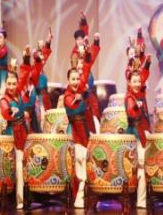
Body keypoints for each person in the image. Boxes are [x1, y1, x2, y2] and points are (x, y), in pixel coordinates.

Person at [0, 71, 36, 210]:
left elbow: (26, 104)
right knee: (19, 166)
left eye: (14, 83)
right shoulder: (4, 100)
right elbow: (5, 112)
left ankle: (27, 195)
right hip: (12, 134)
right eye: (9, 83)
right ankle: (20, 200)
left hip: (23, 132)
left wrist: (28, 98)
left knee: (26, 163)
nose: (11, 86)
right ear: (5, 84)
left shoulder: (19, 96)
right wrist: (11, 111)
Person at [64, 50, 93, 208]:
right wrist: (84, 97)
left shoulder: (79, 90)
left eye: (77, 79)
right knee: (78, 165)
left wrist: (88, 55)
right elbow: (75, 107)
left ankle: (83, 197)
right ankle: (78, 198)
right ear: (68, 80)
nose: (76, 82)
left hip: (84, 131)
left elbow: (86, 72)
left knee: (85, 163)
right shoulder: (68, 96)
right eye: (73, 79)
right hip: (75, 133)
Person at [71, 11, 101, 132]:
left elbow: (93, 53)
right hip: (79, 84)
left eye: (81, 39)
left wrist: (96, 41)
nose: (79, 41)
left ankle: (92, 129)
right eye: (77, 39)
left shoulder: (87, 50)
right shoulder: (74, 53)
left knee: (91, 108)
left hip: (88, 80)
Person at [125, 71, 150, 208]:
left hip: (141, 133)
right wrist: (136, 106)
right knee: (139, 165)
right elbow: (131, 112)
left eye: (139, 81)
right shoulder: (129, 97)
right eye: (134, 81)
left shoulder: (140, 95)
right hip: (134, 134)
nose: (137, 84)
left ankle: (141, 200)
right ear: (129, 83)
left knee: (142, 168)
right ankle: (136, 200)